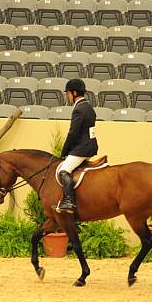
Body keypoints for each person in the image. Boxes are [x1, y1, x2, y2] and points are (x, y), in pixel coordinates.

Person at [56, 78, 98, 213]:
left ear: (74, 93)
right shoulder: (88, 106)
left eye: (68, 93)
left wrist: (65, 151)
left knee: (64, 170)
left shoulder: (79, 109)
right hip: (89, 145)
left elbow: (73, 133)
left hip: (82, 148)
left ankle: (69, 201)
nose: (67, 96)